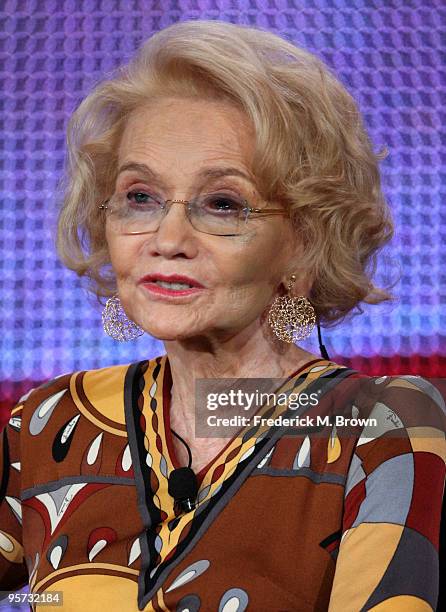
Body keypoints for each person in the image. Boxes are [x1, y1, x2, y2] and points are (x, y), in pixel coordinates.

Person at [1, 19, 445, 612]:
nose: (168, 237)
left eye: (223, 204)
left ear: (304, 243)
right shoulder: (48, 424)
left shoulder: (382, 427)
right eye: (140, 197)